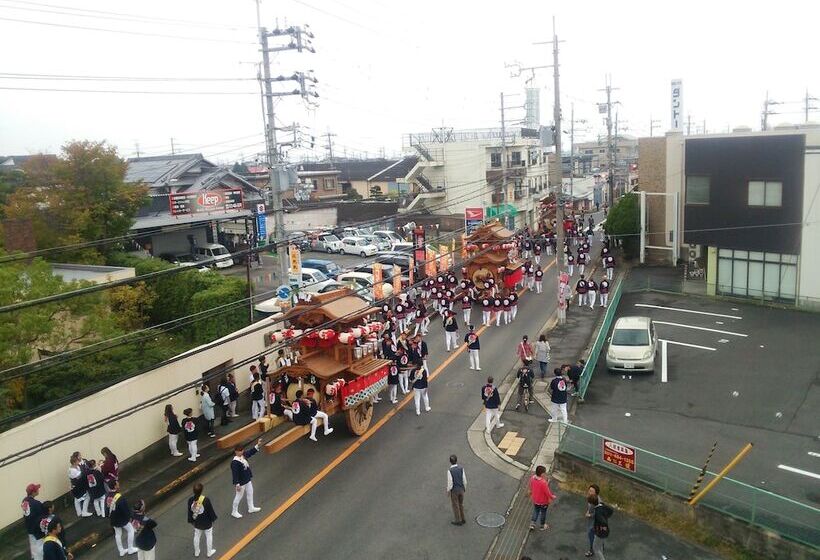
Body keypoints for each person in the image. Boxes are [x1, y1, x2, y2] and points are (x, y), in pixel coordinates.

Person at [230, 439, 262, 518]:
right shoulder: (234, 462)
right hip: (241, 482)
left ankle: (251, 507)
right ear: (236, 452)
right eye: (239, 451)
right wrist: (237, 484)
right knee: (238, 496)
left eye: (242, 450)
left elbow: (250, 452)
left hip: (247, 478)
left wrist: (257, 445)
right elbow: (235, 474)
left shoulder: (243, 456)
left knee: (250, 492)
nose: (241, 452)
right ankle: (234, 511)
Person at [187, 483, 217, 558]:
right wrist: (213, 519)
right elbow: (210, 511)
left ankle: (197, 552)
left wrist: (191, 521)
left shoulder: (190, 500)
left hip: (197, 522)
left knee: (196, 536)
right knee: (209, 536)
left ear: (193, 491)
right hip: (206, 522)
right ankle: (209, 552)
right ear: (201, 490)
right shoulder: (206, 500)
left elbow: (190, 512)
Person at [108, 480, 137, 556]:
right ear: (115, 486)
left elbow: (106, 509)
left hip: (113, 519)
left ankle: (121, 551)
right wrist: (130, 517)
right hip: (122, 519)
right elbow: (125, 510)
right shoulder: (120, 497)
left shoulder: (107, 496)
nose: (119, 486)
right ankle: (130, 548)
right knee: (131, 530)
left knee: (118, 534)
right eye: (117, 484)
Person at [528, 465, 556, 531]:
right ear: (542, 474)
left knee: (536, 511)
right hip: (543, 502)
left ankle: (532, 524)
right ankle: (542, 526)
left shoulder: (532, 478)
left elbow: (530, 486)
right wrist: (552, 497)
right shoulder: (543, 483)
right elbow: (547, 492)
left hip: (535, 500)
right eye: (545, 473)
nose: (545, 474)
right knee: (543, 513)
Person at [22, 482, 45, 560]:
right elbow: (41, 516)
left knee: (33, 546)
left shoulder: (24, 501)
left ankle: (35, 558)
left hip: (29, 528)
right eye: (37, 489)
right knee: (40, 547)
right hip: (36, 529)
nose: (38, 490)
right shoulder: (36, 504)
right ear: (33, 492)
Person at [68, 453, 92, 518]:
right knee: (87, 497)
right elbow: (81, 475)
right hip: (78, 486)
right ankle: (84, 511)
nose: (79, 462)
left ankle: (79, 512)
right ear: (74, 462)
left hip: (77, 486)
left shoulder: (75, 467)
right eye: (77, 461)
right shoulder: (72, 470)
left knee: (77, 499)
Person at [446, 455, 466, 526]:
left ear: (450, 462)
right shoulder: (461, 469)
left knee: (455, 505)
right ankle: (463, 518)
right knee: (461, 504)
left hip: (454, 491)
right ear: (456, 460)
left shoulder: (450, 471)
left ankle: (458, 520)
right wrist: (464, 488)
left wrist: (448, 491)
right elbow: (464, 480)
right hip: (461, 489)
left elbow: (450, 482)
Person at [584, 484, 601, 557]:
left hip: (594, 524)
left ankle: (592, 551)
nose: (589, 492)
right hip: (591, 522)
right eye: (589, 490)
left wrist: (590, 515)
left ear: (596, 493)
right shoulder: (591, 497)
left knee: (592, 537)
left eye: (591, 491)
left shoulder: (598, 502)